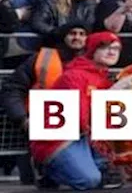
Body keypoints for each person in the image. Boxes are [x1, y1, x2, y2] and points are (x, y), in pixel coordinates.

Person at [29, 31, 125, 189]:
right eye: (105, 48)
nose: (112, 52)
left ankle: (94, 165)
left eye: (116, 49)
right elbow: (80, 115)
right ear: (92, 50)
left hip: (83, 136)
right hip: (59, 140)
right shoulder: (74, 76)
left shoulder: (104, 79)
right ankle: (47, 168)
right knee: (89, 181)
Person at [0, 23, 88, 185]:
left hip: (81, 127)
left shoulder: (93, 60)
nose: (77, 38)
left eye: (82, 34)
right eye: (73, 33)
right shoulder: (41, 58)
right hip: (42, 123)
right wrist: (22, 118)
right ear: (63, 36)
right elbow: (12, 88)